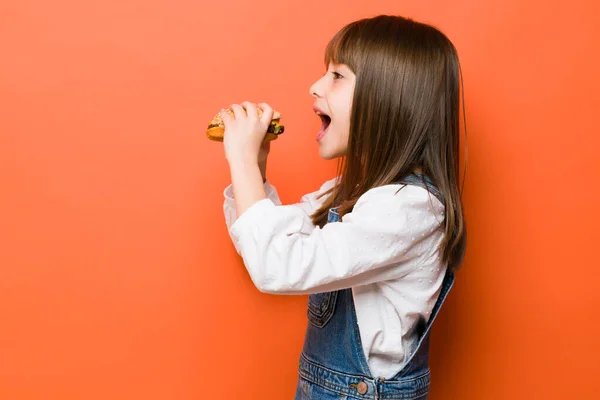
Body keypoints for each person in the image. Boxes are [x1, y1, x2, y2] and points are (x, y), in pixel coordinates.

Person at [220, 14, 467, 400]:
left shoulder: (409, 209)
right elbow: (268, 247)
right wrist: (256, 170)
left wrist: (242, 162)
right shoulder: (352, 192)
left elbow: (275, 266)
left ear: (389, 98)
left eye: (337, 76)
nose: (315, 86)